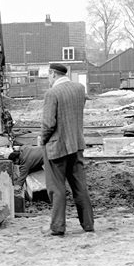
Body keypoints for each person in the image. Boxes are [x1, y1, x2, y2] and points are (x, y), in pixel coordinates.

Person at [40, 62, 94, 236]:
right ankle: (88, 224)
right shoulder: (79, 89)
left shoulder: (52, 93)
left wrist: (42, 140)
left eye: (48, 75)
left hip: (57, 148)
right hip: (76, 145)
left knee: (56, 188)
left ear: (53, 74)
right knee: (80, 186)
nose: (48, 79)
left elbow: (49, 123)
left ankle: (57, 227)